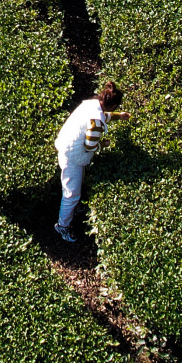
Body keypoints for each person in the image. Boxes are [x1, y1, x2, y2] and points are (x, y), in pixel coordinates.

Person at [52, 82, 128, 243]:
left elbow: (101, 116)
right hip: (72, 157)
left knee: (74, 188)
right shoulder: (97, 122)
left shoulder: (91, 104)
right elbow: (90, 145)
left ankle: (73, 209)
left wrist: (118, 116)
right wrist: (103, 144)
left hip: (66, 145)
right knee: (71, 194)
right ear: (113, 105)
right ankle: (62, 226)